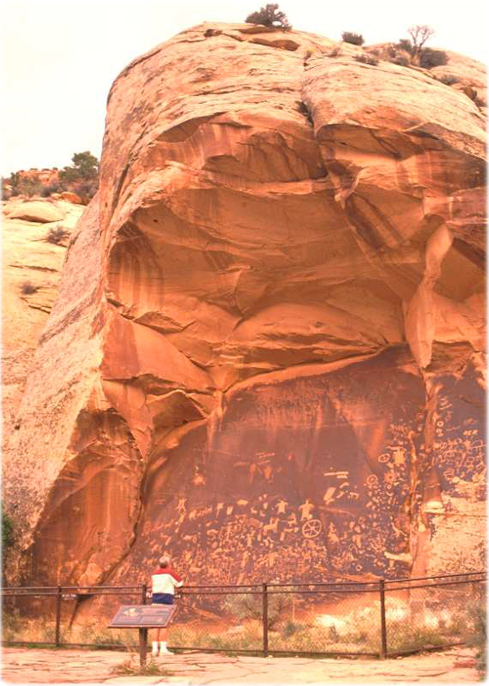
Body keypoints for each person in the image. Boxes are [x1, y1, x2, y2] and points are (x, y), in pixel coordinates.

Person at [150, 555, 183, 656]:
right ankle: (163, 649)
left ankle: (154, 649)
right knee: (164, 625)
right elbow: (180, 583)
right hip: (166, 600)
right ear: (169, 564)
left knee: (155, 625)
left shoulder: (154, 574)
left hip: (155, 600)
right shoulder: (169, 573)